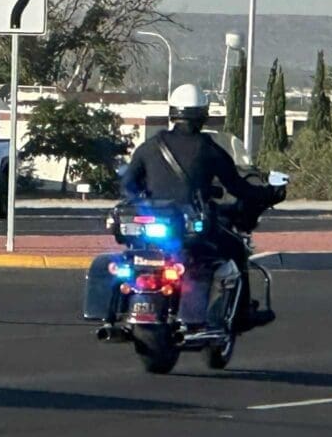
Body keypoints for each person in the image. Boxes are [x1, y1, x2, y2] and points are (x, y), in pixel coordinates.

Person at [121, 83, 284, 331]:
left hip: (152, 230)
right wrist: (270, 193)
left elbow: (128, 184)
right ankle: (240, 314)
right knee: (236, 248)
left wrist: (145, 200)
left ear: (173, 113)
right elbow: (238, 187)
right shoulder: (208, 149)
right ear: (203, 114)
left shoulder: (150, 147)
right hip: (192, 229)